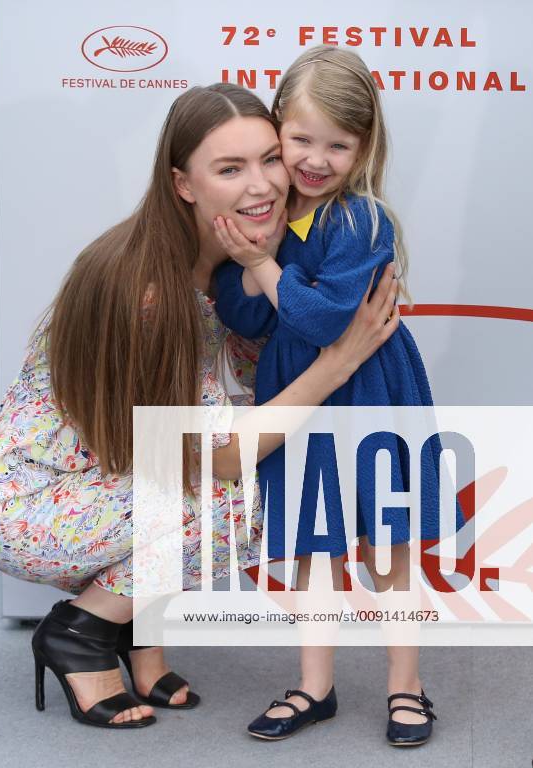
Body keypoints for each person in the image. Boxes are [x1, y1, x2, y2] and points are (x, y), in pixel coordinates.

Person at [0, 82, 399, 730]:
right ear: (184, 184)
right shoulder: (149, 288)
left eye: (269, 159)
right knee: (251, 494)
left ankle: (137, 637)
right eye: (230, 168)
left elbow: (171, 444)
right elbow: (218, 458)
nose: (263, 185)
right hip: (32, 504)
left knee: (234, 460)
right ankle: (81, 633)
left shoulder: (249, 262)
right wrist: (340, 361)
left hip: (111, 477)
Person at [213, 47, 464, 746]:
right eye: (300, 140)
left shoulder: (360, 220)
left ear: (364, 146)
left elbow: (324, 320)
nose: (316, 159)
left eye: (338, 144)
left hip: (372, 395)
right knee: (314, 548)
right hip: (302, 398)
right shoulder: (277, 214)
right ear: (276, 133)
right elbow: (252, 315)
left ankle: (405, 685)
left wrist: (262, 262)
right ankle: (314, 685)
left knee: (389, 548)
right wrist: (247, 255)